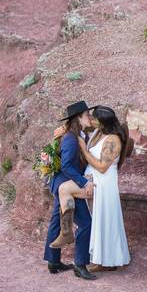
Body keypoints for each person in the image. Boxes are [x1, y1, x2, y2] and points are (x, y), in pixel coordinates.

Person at [52, 105, 131, 272]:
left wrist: (82, 147)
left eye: (95, 119)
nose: (92, 120)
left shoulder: (113, 140)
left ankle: (67, 232)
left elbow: (102, 166)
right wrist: (64, 129)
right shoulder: (99, 132)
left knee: (65, 189)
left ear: (102, 123)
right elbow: (81, 127)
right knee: (100, 220)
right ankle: (102, 260)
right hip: (94, 179)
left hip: (103, 183)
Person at [43, 101, 97, 281]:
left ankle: (53, 261)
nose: (90, 117)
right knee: (86, 223)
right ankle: (80, 265)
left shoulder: (78, 134)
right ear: (78, 118)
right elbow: (66, 166)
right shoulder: (71, 139)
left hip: (64, 184)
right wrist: (83, 182)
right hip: (67, 185)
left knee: (57, 220)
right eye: (87, 115)